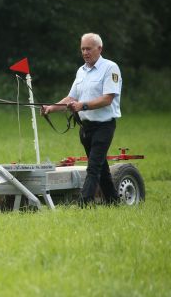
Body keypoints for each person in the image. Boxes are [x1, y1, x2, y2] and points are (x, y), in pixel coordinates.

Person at [41, 33, 122, 206]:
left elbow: (107, 99)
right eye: (82, 49)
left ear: (99, 49)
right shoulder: (81, 71)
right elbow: (71, 98)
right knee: (102, 169)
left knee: (93, 168)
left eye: (88, 49)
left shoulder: (110, 68)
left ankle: (84, 203)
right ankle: (114, 201)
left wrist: (82, 106)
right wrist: (51, 108)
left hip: (104, 126)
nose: (85, 52)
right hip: (86, 127)